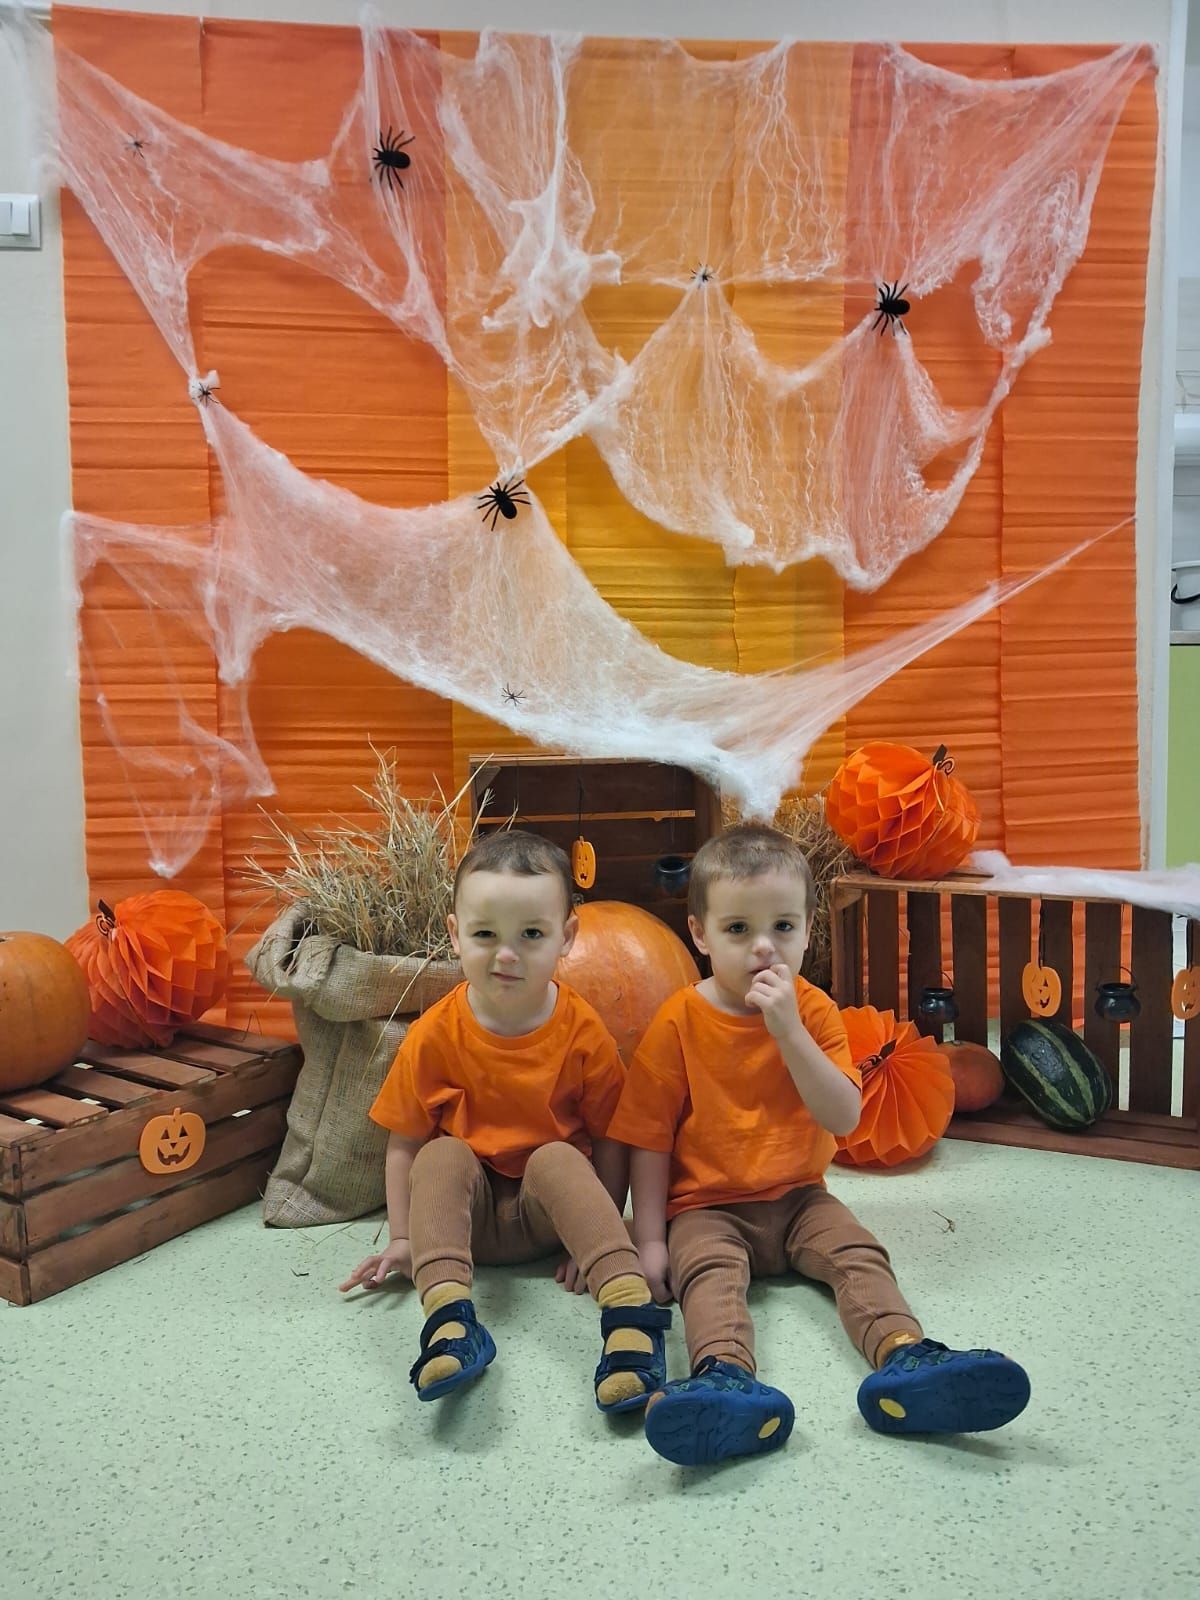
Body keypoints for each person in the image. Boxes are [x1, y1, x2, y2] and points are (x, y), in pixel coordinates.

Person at [607, 822, 1030, 1466]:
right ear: (700, 934)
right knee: (709, 1278)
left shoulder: (814, 1011)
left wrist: (788, 1032)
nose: (763, 948)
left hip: (801, 1197)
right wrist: (651, 1241)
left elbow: (842, 1115)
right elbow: (649, 1137)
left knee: (860, 1255)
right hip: (707, 1208)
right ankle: (724, 1380)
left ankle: (906, 1357)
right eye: (738, 929)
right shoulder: (679, 1020)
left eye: (782, 926)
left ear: (808, 930)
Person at [339, 828, 669, 1414]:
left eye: (531, 935)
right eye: (485, 934)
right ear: (454, 935)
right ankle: (449, 1318)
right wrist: (406, 1239)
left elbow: (610, 1140)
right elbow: (404, 1144)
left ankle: (627, 1309)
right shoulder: (434, 1035)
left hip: (546, 1217)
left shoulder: (582, 1031)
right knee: (441, 1153)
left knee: (558, 1156)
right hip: (465, 1223)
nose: (506, 954)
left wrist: (593, 1237)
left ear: (567, 937)